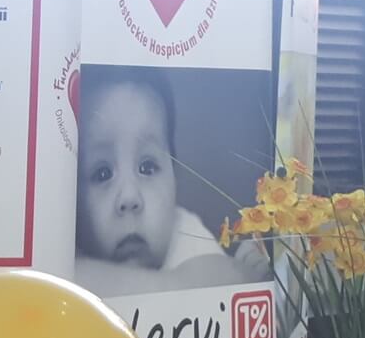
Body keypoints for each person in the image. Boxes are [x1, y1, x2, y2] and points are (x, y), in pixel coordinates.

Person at [73, 66, 269, 298]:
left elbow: (219, 282)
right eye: (102, 174)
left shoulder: (186, 236)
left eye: (147, 168)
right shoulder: (60, 249)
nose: (129, 197)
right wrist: (173, 284)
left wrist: (242, 278)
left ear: (174, 178)